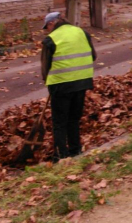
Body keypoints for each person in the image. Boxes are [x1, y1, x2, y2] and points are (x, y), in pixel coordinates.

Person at [41, 12, 97, 161]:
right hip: (82, 82)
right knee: (74, 119)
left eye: (47, 27)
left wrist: (50, 85)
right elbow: (93, 56)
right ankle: (75, 151)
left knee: (59, 122)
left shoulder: (51, 39)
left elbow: (45, 67)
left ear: (52, 23)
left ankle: (61, 155)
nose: (48, 30)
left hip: (61, 84)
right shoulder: (82, 32)